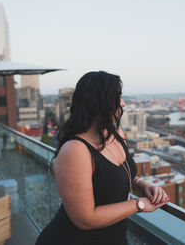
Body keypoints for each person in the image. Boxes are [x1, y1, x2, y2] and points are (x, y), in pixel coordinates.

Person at [36, 71, 169, 245]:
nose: (123, 103)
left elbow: (115, 175)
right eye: (118, 97)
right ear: (100, 103)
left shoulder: (117, 135)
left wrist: (143, 185)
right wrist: (139, 205)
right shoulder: (76, 150)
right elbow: (85, 219)